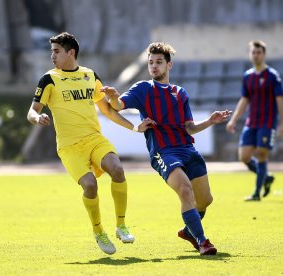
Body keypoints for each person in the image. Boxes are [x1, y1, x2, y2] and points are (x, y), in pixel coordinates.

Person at [102, 42, 232, 255]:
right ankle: (202, 241)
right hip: (163, 151)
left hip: (187, 149)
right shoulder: (142, 89)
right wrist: (114, 96)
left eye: (159, 62)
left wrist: (210, 121)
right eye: (151, 62)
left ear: (169, 65)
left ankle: (189, 231)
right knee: (184, 189)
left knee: (205, 200)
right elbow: (117, 106)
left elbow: (189, 128)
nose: (154, 66)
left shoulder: (180, 93)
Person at [27, 32, 151, 255]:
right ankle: (98, 230)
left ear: (70, 52)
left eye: (56, 51)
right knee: (90, 185)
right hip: (69, 147)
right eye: (51, 52)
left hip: (94, 139)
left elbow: (107, 110)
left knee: (117, 169)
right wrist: (38, 118)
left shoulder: (90, 76)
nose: (52, 56)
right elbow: (32, 110)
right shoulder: (48, 79)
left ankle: (121, 225)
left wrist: (134, 127)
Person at [226, 40, 283, 201]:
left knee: (261, 154)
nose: (256, 55)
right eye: (253, 52)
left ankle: (257, 193)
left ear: (264, 54)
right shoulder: (248, 76)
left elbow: (280, 99)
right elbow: (244, 100)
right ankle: (266, 177)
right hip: (251, 122)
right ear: (250, 55)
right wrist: (233, 120)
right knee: (244, 157)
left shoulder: (272, 76)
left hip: (268, 122)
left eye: (259, 52)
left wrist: (281, 123)